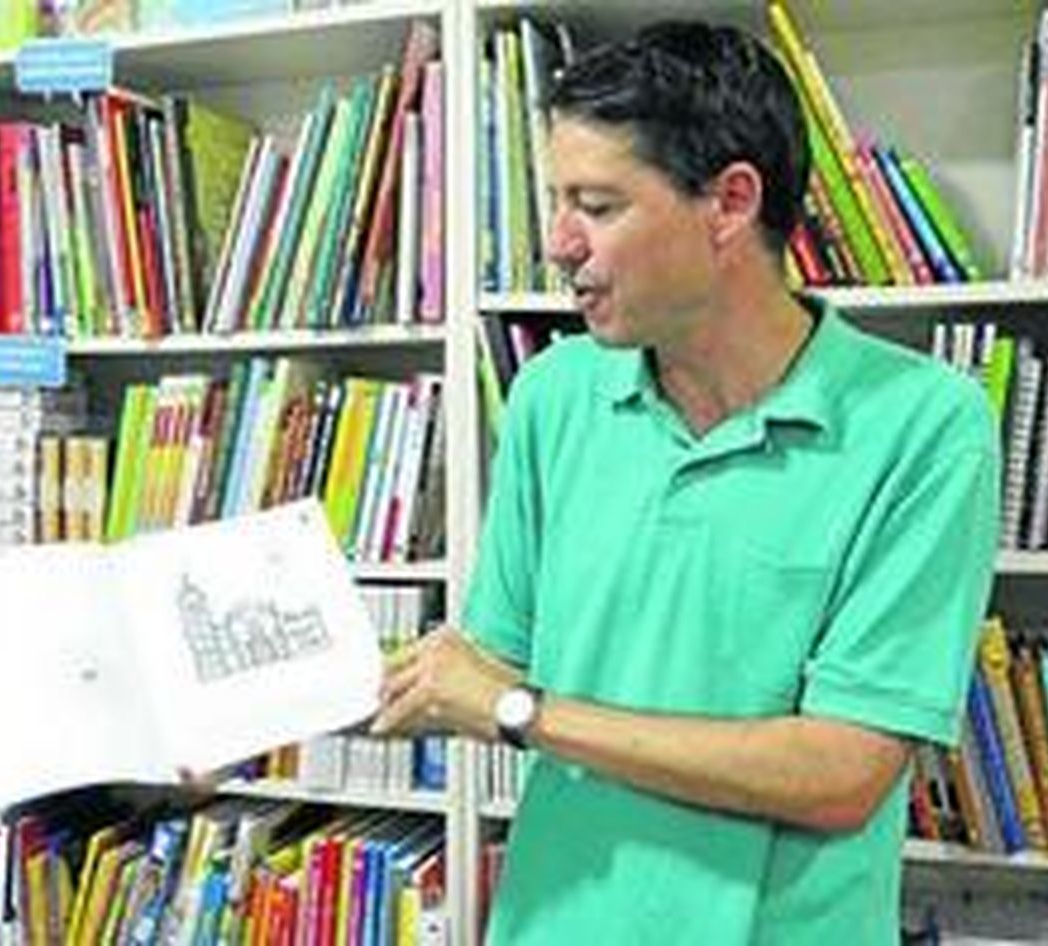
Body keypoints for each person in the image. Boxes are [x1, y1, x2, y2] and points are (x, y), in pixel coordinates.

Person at [372, 20, 999, 945]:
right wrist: (229, 705)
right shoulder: (554, 394)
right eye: (558, 202)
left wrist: (522, 713)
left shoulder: (925, 427)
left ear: (729, 203)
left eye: (597, 204)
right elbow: (488, 667)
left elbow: (841, 771)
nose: (557, 243)